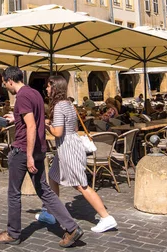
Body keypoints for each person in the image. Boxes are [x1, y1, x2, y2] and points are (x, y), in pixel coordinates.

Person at [0, 66, 83, 247]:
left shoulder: (22, 96)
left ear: (10, 80)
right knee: (44, 191)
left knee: (14, 193)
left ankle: (13, 233)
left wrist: (29, 155)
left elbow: (32, 126)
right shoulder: (34, 93)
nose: (5, 88)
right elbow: (32, 119)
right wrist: (15, 117)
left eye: (4, 84)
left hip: (24, 150)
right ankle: (72, 227)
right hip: (39, 148)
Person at [40, 75, 117, 233]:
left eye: (48, 86)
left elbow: (58, 132)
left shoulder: (60, 106)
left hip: (68, 148)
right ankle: (52, 211)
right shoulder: (69, 103)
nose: (46, 89)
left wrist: (46, 125)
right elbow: (74, 128)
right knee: (53, 178)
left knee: (81, 185)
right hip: (70, 144)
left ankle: (106, 217)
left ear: (54, 87)